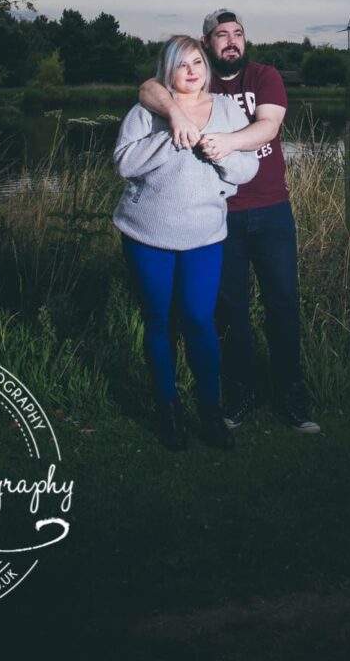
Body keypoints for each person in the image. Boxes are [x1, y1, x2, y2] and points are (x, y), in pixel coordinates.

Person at [140, 8, 319, 433]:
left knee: (283, 303)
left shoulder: (264, 75)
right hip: (221, 214)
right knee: (229, 309)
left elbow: (269, 126)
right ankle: (238, 395)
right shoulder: (195, 78)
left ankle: (291, 397)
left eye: (238, 34)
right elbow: (148, 87)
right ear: (206, 43)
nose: (232, 41)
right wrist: (177, 113)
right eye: (222, 35)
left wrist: (226, 143)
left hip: (272, 208)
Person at [113, 34, 257, 451]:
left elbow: (245, 170)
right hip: (147, 234)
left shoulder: (227, 109)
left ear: (206, 67)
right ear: (168, 71)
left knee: (198, 320)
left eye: (197, 62)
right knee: (157, 321)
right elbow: (124, 162)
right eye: (182, 64)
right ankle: (169, 413)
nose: (192, 71)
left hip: (204, 236)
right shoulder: (147, 110)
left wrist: (222, 152)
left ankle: (210, 413)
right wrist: (173, 130)